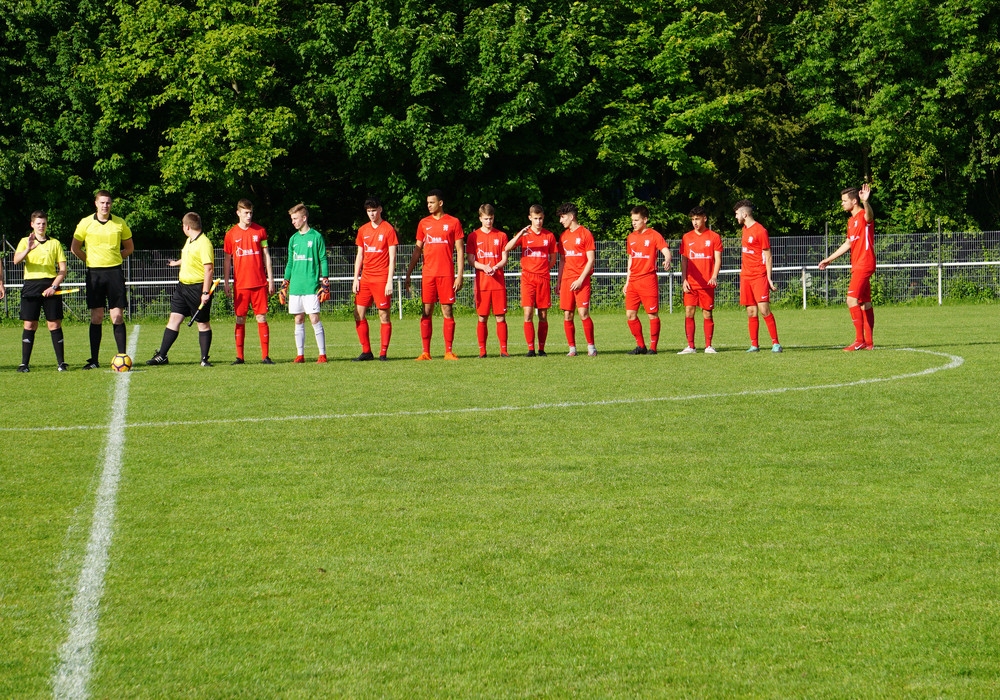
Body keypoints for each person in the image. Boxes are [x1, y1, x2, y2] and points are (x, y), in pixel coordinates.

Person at [70, 190, 134, 369]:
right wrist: (90, 260)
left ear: (111, 204)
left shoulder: (120, 223)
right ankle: (94, 360)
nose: (105, 206)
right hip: (94, 274)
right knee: (96, 316)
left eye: (108, 203)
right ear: (96, 204)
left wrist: (115, 258)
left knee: (117, 316)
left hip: (114, 272)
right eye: (102, 203)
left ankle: (123, 357)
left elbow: (129, 248)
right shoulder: (85, 223)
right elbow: (75, 248)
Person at [146, 212, 215, 366]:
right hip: (182, 287)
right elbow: (190, 258)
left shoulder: (204, 243)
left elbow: (208, 269)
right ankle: (162, 356)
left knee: (202, 323)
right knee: (174, 319)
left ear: (187, 226)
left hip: (197, 288)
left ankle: (204, 359)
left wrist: (205, 292)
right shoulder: (190, 240)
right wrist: (176, 263)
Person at [405, 189, 464, 360]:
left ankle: (449, 351)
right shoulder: (424, 223)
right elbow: (417, 251)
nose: (429, 205)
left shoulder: (453, 222)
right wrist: (409, 273)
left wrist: (459, 275)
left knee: (447, 310)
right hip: (428, 275)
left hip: (446, 274)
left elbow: (460, 251)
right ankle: (425, 352)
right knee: (426, 311)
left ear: (441, 203)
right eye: (428, 202)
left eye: (432, 202)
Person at [819, 184, 876, 350]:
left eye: (844, 201)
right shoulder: (851, 221)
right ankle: (869, 343)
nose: (842, 203)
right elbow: (849, 243)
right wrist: (829, 259)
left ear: (854, 201)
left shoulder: (863, 215)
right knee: (864, 302)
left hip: (864, 263)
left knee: (851, 299)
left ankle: (859, 340)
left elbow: (869, 216)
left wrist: (866, 202)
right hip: (858, 264)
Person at [12, 211, 68, 372]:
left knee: (54, 323)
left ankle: (61, 363)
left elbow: (62, 269)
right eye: (38, 223)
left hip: (50, 285)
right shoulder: (25, 241)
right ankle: (24, 364)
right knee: (30, 324)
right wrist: (28, 249)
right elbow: (16, 261)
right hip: (31, 285)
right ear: (32, 225)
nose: (41, 226)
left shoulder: (55, 243)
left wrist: (53, 286)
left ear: (46, 224)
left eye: (43, 223)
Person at [223, 199, 274, 364]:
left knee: (261, 318)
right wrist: (226, 282)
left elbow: (266, 255)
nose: (249, 216)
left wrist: (271, 279)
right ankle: (240, 357)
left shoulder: (260, 231)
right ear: (238, 213)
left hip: (259, 284)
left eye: (251, 212)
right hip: (241, 285)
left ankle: (265, 356)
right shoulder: (231, 234)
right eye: (246, 213)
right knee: (240, 319)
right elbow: (227, 260)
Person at [505, 204, 557, 356]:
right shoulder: (524, 235)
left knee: (542, 315)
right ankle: (530, 349)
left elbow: (553, 258)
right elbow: (507, 248)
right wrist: (520, 234)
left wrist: (543, 269)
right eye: (535, 218)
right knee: (527, 313)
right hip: (527, 279)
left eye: (540, 218)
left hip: (543, 279)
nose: (538, 221)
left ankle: (541, 349)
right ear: (530, 218)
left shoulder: (549, 236)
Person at [351, 198, 398, 361]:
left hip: (381, 279)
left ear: (380, 210)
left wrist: (389, 281)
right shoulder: (363, 230)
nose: (371, 214)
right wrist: (356, 278)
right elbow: (360, 255)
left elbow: (392, 258)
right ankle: (366, 351)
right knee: (358, 314)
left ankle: (383, 353)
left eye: (374, 210)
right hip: (365, 279)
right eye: (369, 211)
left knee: (383, 315)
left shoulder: (388, 229)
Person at [284, 203, 329, 363]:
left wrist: (325, 280)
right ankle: (300, 354)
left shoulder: (316, 237)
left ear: (304, 218)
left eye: (295, 218)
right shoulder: (293, 239)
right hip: (296, 287)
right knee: (298, 319)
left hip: (311, 286)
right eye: (292, 219)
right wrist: (285, 282)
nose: (293, 222)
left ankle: (322, 354)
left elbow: (323, 258)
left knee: (314, 318)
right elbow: (290, 263)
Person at [622, 205, 671, 354]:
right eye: (632, 220)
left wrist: (667, 259)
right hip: (634, 282)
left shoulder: (654, 235)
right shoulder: (631, 237)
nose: (634, 223)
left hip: (648, 280)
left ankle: (653, 348)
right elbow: (631, 259)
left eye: (636, 220)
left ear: (645, 219)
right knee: (630, 314)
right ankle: (641, 346)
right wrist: (627, 281)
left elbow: (666, 251)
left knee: (652, 314)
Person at [734, 199, 781, 353]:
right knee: (751, 311)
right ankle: (754, 345)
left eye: (737, 214)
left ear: (744, 214)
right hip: (746, 276)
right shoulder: (745, 230)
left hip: (758, 276)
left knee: (763, 309)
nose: (736, 217)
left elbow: (768, 256)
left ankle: (776, 343)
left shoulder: (760, 231)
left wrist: (768, 277)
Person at [466, 204, 509, 357]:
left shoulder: (501, 236)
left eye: (490, 219)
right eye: (485, 219)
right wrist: (484, 267)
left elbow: (504, 258)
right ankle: (482, 351)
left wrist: (496, 266)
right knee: (482, 316)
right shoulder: (473, 236)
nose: (488, 222)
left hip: (498, 283)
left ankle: (503, 350)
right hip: (482, 284)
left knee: (500, 316)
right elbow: (470, 259)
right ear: (480, 218)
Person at [679, 206, 723, 354]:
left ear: (705, 218)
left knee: (707, 313)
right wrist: (684, 279)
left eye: (697, 219)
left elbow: (717, 259)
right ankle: (690, 346)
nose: (695, 222)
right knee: (689, 312)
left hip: (707, 283)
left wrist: (714, 276)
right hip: (691, 283)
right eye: (692, 220)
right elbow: (684, 261)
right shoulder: (686, 237)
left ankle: (708, 346)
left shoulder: (714, 237)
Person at [556, 202, 597, 356]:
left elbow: (591, 259)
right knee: (567, 315)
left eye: (563, 217)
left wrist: (580, 279)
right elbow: (562, 260)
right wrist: (559, 281)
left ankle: (591, 347)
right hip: (567, 280)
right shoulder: (564, 236)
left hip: (582, 280)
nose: (561, 221)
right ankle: (572, 348)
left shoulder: (585, 234)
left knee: (583, 313)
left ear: (571, 217)